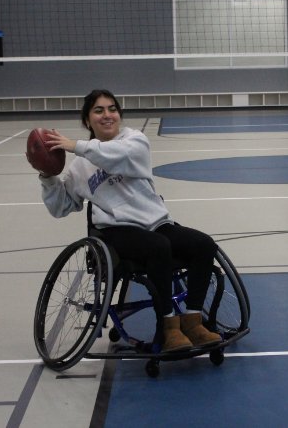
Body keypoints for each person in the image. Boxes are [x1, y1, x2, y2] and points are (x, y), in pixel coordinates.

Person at [36, 89, 221, 353]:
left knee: (203, 244)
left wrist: (76, 145)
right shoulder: (79, 167)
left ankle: (193, 321)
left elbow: (113, 155)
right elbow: (61, 206)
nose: (107, 115)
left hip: (156, 223)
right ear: (87, 120)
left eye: (112, 109)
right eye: (98, 110)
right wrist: (47, 175)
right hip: (117, 231)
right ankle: (168, 326)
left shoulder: (135, 140)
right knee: (158, 247)